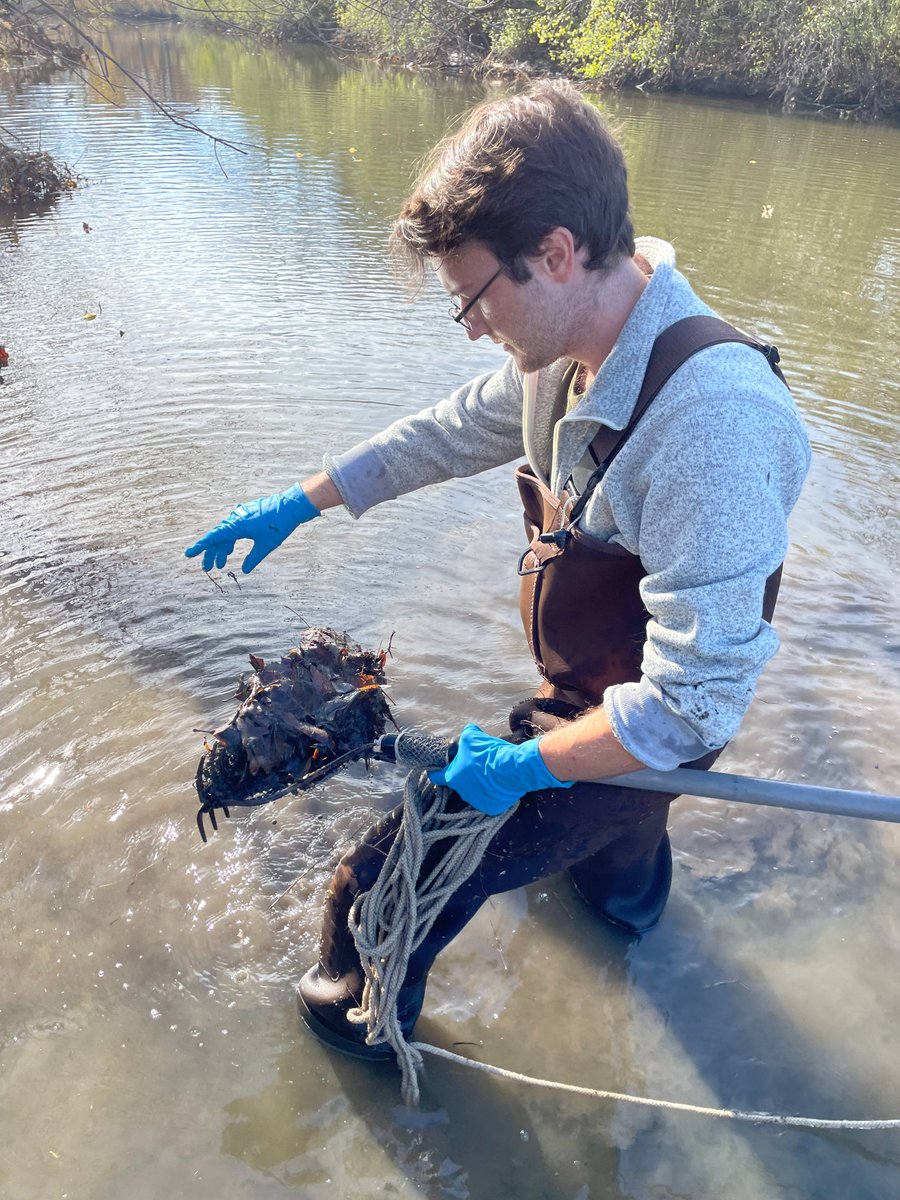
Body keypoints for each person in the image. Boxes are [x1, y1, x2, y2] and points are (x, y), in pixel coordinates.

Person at [185, 81, 810, 1059]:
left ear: (557, 254)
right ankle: (629, 923)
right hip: (595, 691)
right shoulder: (567, 349)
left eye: (474, 298)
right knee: (619, 869)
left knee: (375, 885)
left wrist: (524, 765)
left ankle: (356, 1033)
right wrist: (300, 501)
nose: (471, 326)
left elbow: (693, 708)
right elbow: (447, 432)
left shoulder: (715, 425)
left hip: (642, 722)